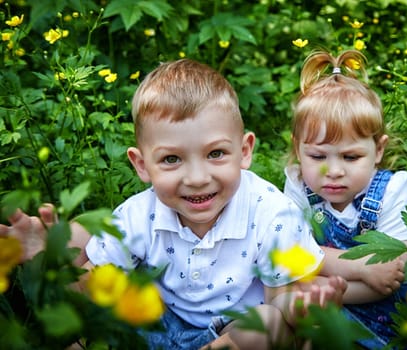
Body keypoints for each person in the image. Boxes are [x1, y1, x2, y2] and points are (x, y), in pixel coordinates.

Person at [0, 58, 346, 350]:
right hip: (154, 325)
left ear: (244, 151)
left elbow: (278, 303)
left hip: (232, 331)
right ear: (141, 165)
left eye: (215, 154)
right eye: (171, 160)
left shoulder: (272, 213)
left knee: (269, 324)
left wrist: (300, 306)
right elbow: (90, 294)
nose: (196, 177)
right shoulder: (138, 215)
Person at [283, 49, 407, 349]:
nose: (334, 171)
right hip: (320, 310)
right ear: (298, 148)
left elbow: (394, 271)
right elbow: (289, 254)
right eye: (317, 156)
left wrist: (319, 282)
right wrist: (361, 268)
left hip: (386, 323)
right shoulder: (297, 185)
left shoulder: (392, 190)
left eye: (351, 156)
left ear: (378, 150)